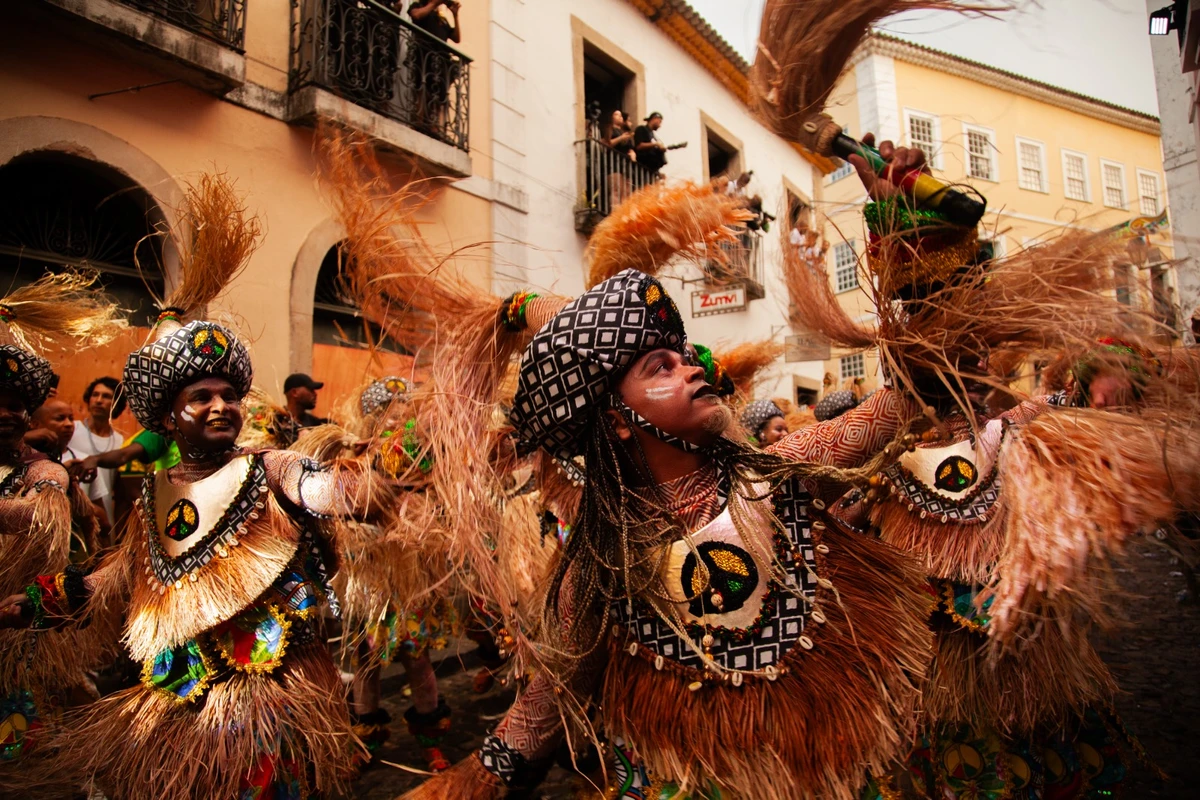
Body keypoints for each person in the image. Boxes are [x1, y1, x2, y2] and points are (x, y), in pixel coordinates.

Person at [404, 268, 933, 799]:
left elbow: (911, 392)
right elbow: (547, 702)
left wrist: (923, 269)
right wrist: (472, 781)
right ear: (616, 420)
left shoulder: (779, 473)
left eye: (684, 357)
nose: (692, 369)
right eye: (662, 366)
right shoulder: (598, 568)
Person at [0, 175, 394, 798]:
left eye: (230, 394)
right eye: (202, 396)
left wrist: (367, 489)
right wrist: (42, 600)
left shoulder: (271, 468)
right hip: (182, 696)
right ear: (165, 418)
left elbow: (325, 490)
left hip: (273, 697)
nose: (221, 406)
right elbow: (113, 581)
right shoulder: (154, 497)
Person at [66, 377, 126, 525]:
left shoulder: (121, 442)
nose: (99, 400)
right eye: (95, 395)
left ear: (115, 404)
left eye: (106, 396)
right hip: (71, 510)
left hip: (103, 515)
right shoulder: (71, 429)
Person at [408, 0, 462, 137]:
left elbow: (456, 38)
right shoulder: (418, 6)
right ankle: (418, 121)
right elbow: (416, 16)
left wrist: (455, 15)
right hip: (424, 56)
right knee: (422, 88)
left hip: (441, 60)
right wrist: (433, 4)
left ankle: (434, 125)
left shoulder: (441, 17)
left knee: (438, 93)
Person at [603, 109, 636, 208]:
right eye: (616, 114)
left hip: (626, 167)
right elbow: (607, 143)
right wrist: (621, 138)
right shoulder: (609, 129)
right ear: (611, 117)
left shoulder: (624, 132)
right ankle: (616, 212)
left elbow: (630, 148)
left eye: (621, 115)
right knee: (616, 191)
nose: (620, 116)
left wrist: (633, 153)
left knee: (626, 193)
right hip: (614, 165)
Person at [634, 111, 668, 175]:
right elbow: (639, 146)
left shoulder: (653, 136)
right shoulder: (641, 129)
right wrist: (656, 144)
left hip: (651, 170)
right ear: (654, 119)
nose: (660, 125)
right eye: (659, 121)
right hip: (642, 167)